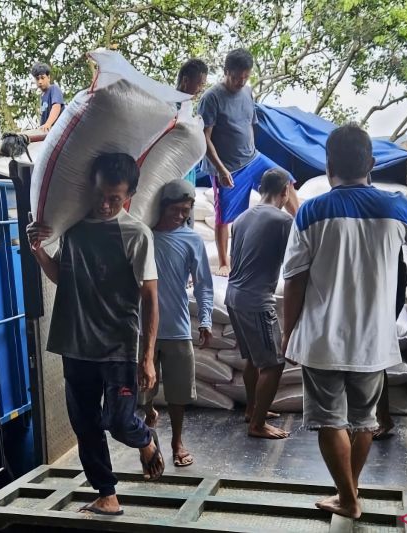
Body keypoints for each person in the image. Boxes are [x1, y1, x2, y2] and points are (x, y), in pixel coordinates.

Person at [282, 123, 407, 519]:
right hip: (373, 341)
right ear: (370, 163)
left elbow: (294, 279)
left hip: (321, 340)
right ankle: (349, 494)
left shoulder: (310, 212)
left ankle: (348, 497)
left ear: (328, 164)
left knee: (329, 421)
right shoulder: (396, 207)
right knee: (364, 421)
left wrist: (290, 333)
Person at [26, 153, 164, 516]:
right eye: (100, 195)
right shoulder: (71, 228)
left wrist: (147, 356)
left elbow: (151, 299)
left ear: (129, 197)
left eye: (114, 198)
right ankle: (107, 494)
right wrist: (39, 252)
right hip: (75, 343)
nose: (105, 204)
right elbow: (63, 279)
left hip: (118, 346)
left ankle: (144, 437)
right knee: (86, 426)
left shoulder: (137, 234)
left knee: (118, 422)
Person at [198, 48, 299, 276]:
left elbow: (250, 124)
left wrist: (252, 149)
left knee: (285, 180)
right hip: (228, 168)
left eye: (245, 77)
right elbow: (204, 139)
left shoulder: (247, 92)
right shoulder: (211, 98)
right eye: (236, 78)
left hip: (253, 158)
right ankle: (225, 262)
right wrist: (221, 170)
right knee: (224, 217)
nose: (241, 82)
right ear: (226, 72)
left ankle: (302, 226)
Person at [142, 179, 213, 467]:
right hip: (144, 330)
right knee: (142, 389)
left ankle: (177, 441)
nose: (180, 215)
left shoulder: (192, 239)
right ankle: (148, 419)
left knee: (179, 393)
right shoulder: (144, 235)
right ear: (162, 206)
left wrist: (205, 319)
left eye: (186, 210)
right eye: (175, 209)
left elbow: (204, 284)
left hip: (177, 329)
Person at [226, 168, 294, 439]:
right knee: (274, 364)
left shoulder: (241, 218)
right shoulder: (282, 220)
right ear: (285, 191)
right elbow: (295, 263)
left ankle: (252, 410)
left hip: (233, 296)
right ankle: (257, 425)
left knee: (254, 360)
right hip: (256, 300)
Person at [176, 59, 208, 189]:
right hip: (175, 169)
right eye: (199, 84)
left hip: (188, 170)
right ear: (185, 81)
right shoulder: (171, 106)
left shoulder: (186, 106)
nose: (200, 89)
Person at [31, 62, 64, 132]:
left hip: (59, 130)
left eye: (42, 78)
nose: (40, 81)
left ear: (48, 77)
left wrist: (48, 124)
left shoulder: (54, 89)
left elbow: (56, 107)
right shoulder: (42, 97)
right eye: (37, 79)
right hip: (48, 133)